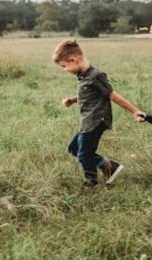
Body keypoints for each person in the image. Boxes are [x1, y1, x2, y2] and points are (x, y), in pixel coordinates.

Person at [54, 40, 144, 189]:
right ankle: (109, 167)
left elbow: (113, 96)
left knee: (84, 154)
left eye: (64, 66)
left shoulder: (96, 75)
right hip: (87, 121)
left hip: (96, 121)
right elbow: (89, 94)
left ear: (73, 60)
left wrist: (135, 111)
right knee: (74, 149)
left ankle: (91, 183)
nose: (64, 69)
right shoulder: (83, 76)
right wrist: (72, 100)